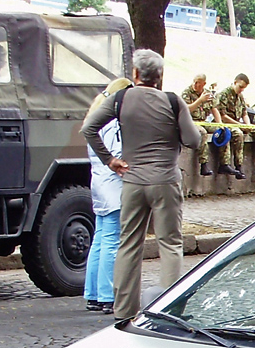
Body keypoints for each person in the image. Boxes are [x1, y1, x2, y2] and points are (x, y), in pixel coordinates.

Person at [82, 49, 201, 320]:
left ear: (136, 74)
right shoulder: (173, 102)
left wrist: (110, 160)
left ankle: (123, 309)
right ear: (160, 77)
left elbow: (89, 127)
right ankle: (169, 309)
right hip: (166, 180)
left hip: (132, 180)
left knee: (129, 243)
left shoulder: (120, 98)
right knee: (169, 243)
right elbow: (193, 141)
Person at [82, 78, 131, 315]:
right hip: (113, 184)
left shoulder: (95, 119)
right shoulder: (113, 124)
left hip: (99, 183)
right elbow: (118, 154)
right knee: (111, 239)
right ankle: (107, 294)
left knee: (100, 238)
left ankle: (93, 293)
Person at [215, 73, 255, 178]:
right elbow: (223, 116)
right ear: (235, 82)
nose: (241, 90)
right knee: (238, 134)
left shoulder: (240, 97)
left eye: (243, 88)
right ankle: (238, 166)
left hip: (238, 123)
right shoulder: (223, 95)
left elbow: (244, 113)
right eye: (240, 87)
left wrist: (248, 125)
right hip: (227, 123)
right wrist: (240, 124)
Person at [181, 73, 222, 177]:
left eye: (198, 83)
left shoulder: (207, 94)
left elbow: (214, 109)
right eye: (194, 82)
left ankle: (224, 163)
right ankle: (204, 164)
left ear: (204, 84)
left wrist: (220, 123)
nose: (195, 84)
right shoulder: (187, 92)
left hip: (204, 120)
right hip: (191, 122)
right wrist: (199, 101)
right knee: (202, 133)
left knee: (223, 132)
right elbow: (186, 109)